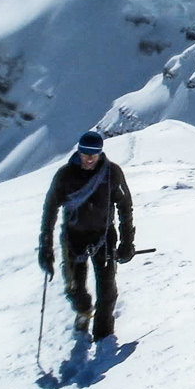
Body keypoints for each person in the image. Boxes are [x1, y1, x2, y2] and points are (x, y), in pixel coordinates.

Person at [39, 130, 136, 340]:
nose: (89, 158)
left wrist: (127, 241)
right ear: (79, 152)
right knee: (75, 290)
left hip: (104, 236)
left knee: (107, 292)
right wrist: (45, 247)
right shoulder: (65, 176)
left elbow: (124, 205)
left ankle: (103, 336)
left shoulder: (112, 174)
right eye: (85, 153)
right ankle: (83, 311)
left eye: (94, 154)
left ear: (100, 153)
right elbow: (50, 210)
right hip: (74, 239)